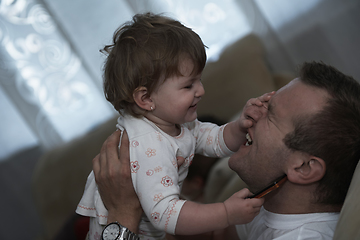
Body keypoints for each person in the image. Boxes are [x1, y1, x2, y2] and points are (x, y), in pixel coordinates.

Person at [93, 61, 360, 240]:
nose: (252, 109)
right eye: (265, 100)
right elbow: (215, 234)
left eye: (271, 113)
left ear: (303, 167)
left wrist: (122, 213)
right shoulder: (272, 205)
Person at [76, 12, 268, 240]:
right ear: (146, 99)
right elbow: (166, 213)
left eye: (199, 80)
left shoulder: (172, 123)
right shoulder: (148, 145)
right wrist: (225, 212)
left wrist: (240, 126)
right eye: (188, 86)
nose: (201, 91)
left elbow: (213, 139)